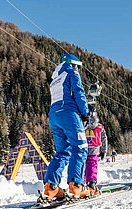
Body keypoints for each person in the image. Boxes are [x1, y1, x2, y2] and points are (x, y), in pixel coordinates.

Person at [43, 53, 94, 199]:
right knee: (80, 148)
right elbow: (79, 92)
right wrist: (85, 113)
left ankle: (51, 187)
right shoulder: (72, 72)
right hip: (69, 114)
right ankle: (76, 185)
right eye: (78, 66)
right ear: (73, 64)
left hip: (54, 115)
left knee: (63, 151)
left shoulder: (55, 79)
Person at [84, 111, 108, 195]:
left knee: (83, 166)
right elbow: (104, 139)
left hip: (83, 148)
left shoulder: (83, 126)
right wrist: (103, 150)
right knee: (92, 165)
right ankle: (92, 182)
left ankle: (83, 183)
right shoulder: (100, 127)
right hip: (95, 148)